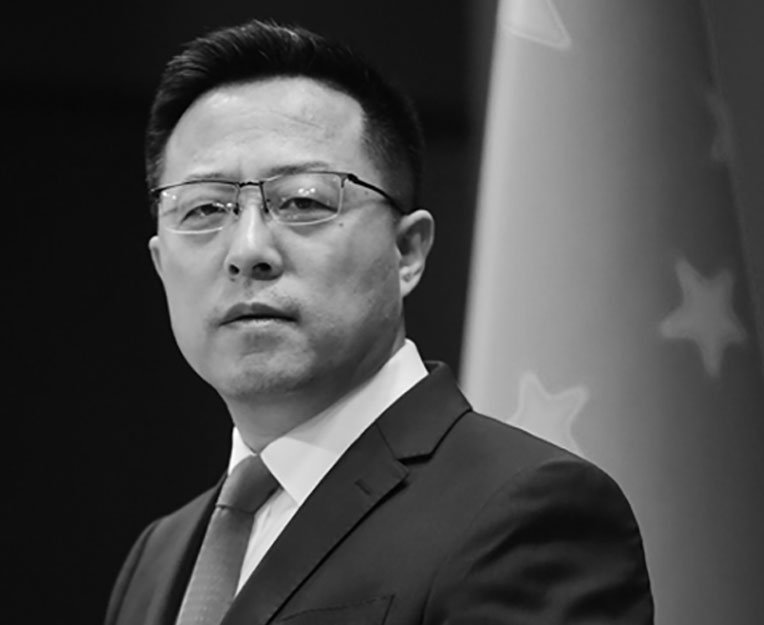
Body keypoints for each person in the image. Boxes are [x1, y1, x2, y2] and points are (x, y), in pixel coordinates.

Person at [106, 19, 654, 625]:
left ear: (408, 251)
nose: (248, 249)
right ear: (160, 264)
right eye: (205, 208)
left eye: (303, 201)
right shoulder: (159, 556)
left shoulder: (526, 513)